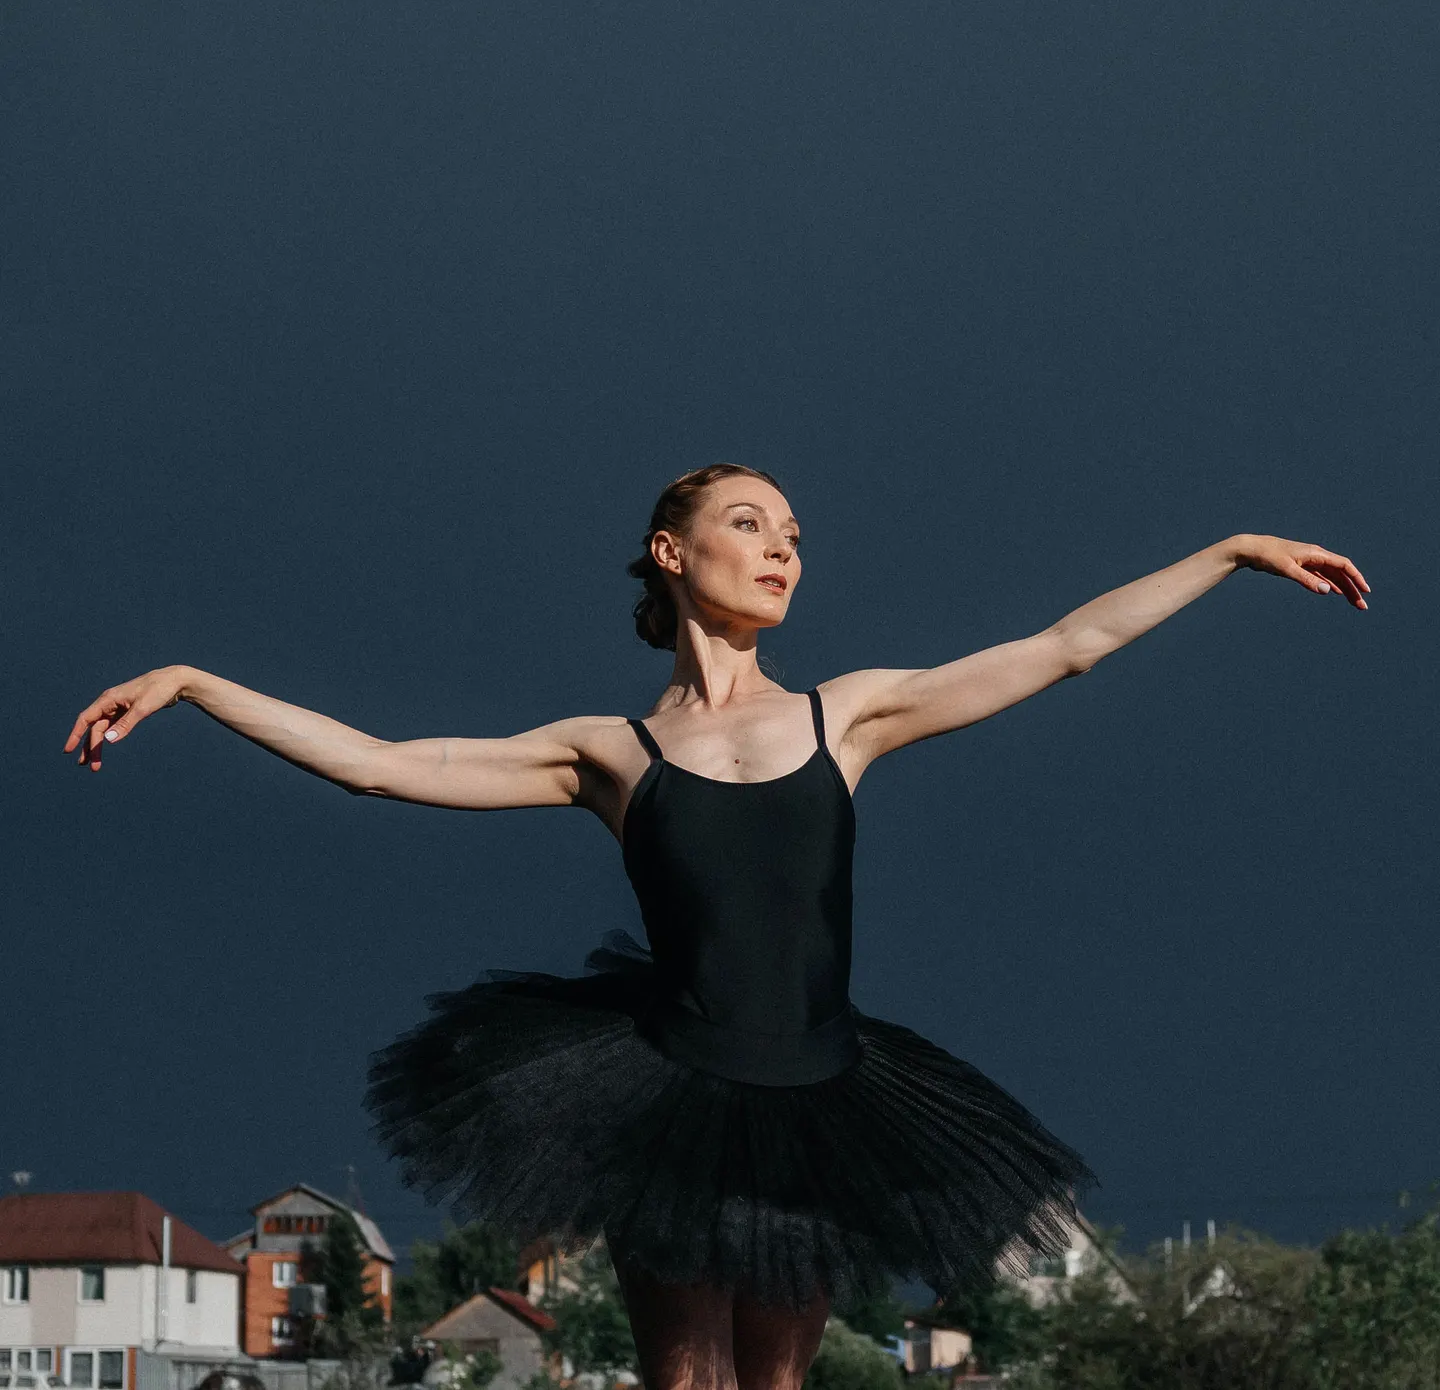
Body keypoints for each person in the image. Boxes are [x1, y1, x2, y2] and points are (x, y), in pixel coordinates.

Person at [67, 464, 1368, 1390]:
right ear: (672, 552)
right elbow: (378, 764)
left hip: (820, 1095)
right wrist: (193, 682)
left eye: (795, 532)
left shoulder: (849, 714)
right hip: (671, 1098)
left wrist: (1231, 551)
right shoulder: (607, 752)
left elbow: (1069, 642)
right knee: (687, 1383)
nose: (783, 546)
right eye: (750, 523)